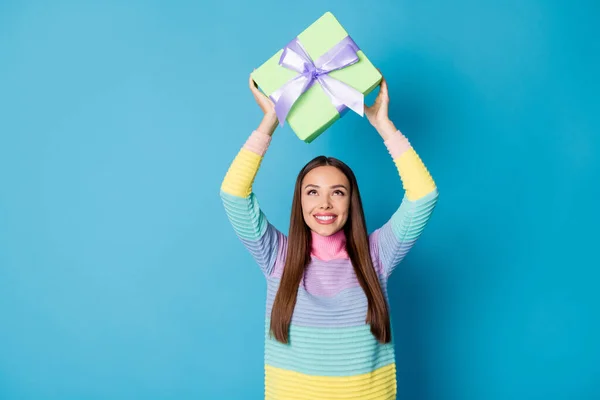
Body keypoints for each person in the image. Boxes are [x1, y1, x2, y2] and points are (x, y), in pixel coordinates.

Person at [219, 72, 439, 399]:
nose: (324, 203)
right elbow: (234, 195)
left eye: (337, 192)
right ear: (300, 201)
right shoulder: (277, 256)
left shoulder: (377, 255)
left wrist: (383, 125)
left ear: (352, 201)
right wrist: (270, 120)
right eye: (312, 192)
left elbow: (423, 196)